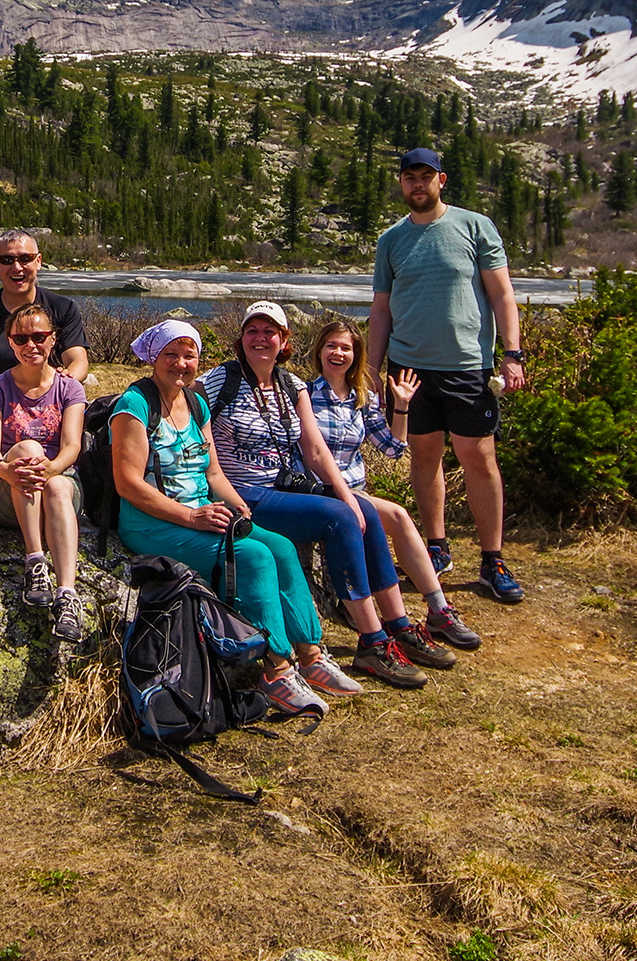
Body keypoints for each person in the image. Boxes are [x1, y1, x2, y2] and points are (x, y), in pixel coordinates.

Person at [202, 302, 437, 689]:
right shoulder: (219, 381)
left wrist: (345, 493)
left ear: (284, 340)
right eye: (252, 331)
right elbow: (189, 421)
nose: (260, 339)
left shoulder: (291, 385)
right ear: (241, 338)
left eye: (269, 332)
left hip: (281, 487)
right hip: (242, 493)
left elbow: (314, 450)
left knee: (361, 509)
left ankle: (397, 626)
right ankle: (372, 642)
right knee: (339, 517)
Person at [109, 320, 330, 717]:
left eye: (189, 355)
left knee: (278, 546)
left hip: (201, 513)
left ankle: (311, 655)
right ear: (153, 358)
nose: (180, 364)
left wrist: (237, 505)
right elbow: (127, 484)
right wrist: (190, 516)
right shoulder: (135, 405)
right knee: (255, 557)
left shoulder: (196, 403)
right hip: (152, 523)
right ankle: (276, 669)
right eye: (170, 355)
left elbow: (212, 474)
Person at [367, 147, 528, 604]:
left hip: (467, 366)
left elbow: (502, 296)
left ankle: (492, 559)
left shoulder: (475, 226)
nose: (417, 185)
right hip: (410, 369)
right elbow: (381, 311)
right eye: (409, 178)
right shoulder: (391, 240)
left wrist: (511, 354)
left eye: (425, 177)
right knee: (424, 456)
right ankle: (435, 548)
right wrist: (372, 370)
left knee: (479, 459)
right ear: (401, 184)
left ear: (442, 180)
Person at [307, 319, 482, 657]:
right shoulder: (305, 394)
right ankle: (393, 622)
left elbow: (393, 448)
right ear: (319, 351)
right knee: (388, 514)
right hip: (322, 491)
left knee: (400, 517)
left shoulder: (363, 398)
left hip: (356, 491)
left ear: (356, 355)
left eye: (346, 348)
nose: (338, 354)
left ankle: (438, 610)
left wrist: (401, 405)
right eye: (332, 346)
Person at [0, 302, 87, 643]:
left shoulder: (69, 387)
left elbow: (72, 446)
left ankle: (67, 594)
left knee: (55, 486)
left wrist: (51, 470)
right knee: (27, 449)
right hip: (6, 490)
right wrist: (4, 469)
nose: (31, 346)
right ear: (10, 343)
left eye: (39, 337)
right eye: (21, 338)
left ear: (54, 340)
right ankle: (35, 559)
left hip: (57, 489)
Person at [0, 228, 89, 384]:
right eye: (7, 260)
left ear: (38, 261)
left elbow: (78, 361)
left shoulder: (62, 308)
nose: (17, 267)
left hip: (49, 400)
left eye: (26, 258)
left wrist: (63, 383)